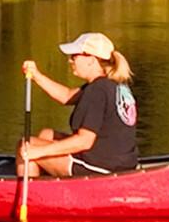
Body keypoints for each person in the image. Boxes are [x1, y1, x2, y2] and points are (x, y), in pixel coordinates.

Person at [17, 31, 139, 178]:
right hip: (123, 162)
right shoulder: (113, 84)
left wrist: (39, 152)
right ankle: (46, 179)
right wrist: (37, 76)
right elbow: (67, 96)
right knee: (46, 135)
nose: (71, 60)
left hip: (100, 167)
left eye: (75, 55)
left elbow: (84, 141)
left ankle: (34, 195)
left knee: (25, 145)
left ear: (91, 60)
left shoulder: (97, 91)